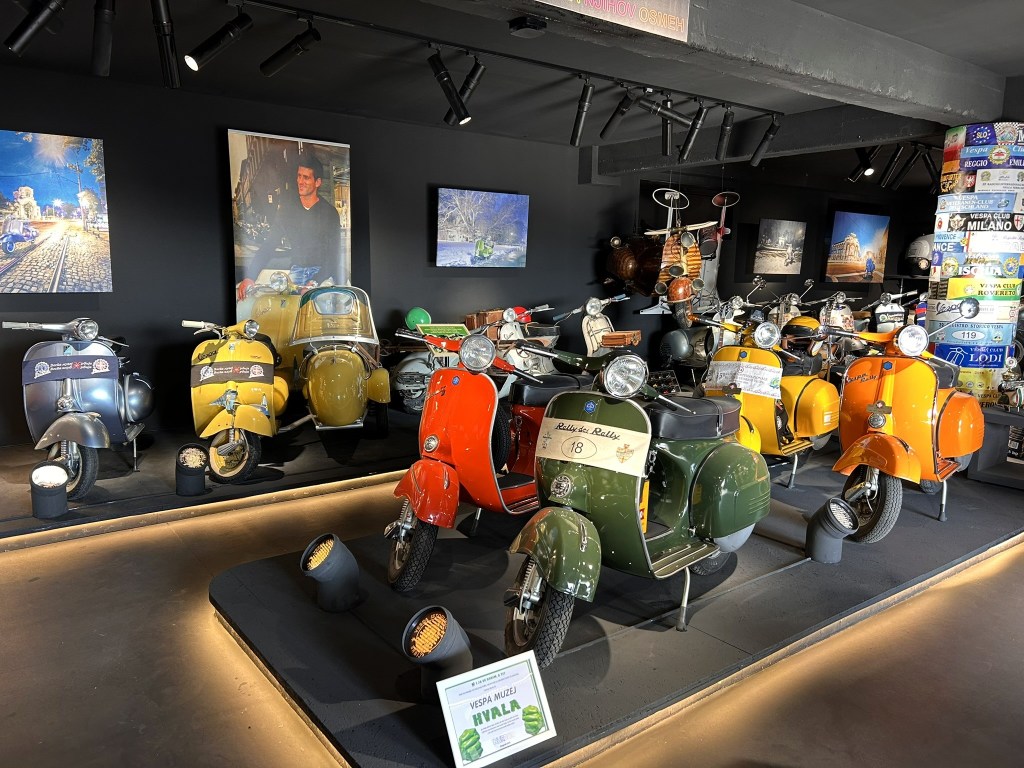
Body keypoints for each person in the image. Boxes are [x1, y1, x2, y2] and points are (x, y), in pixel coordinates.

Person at [247, 152, 341, 283]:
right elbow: (269, 244)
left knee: (320, 303)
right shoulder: (287, 211)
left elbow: (334, 256)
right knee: (284, 302)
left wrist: (314, 282)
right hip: (297, 271)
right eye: (299, 176)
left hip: (323, 274)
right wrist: (250, 277)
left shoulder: (330, 213)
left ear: (317, 182)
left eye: (306, 178)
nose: (300, 182)